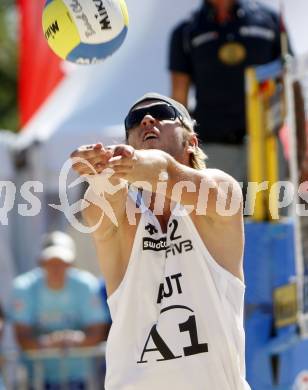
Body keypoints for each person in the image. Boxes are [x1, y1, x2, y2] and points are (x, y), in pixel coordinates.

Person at [71, 92, 250, 389]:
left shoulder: (219, 192)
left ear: (192, 141)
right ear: (127, 145)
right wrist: (101, 173)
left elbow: (164, 170)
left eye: (162, 112)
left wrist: (135, 162)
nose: (147, 119)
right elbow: (98, 204)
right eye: (134, 121)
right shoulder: (124, 220)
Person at [168, 0, 306, 184]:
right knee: (216, 213)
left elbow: (291, 85)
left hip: (268, 149)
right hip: (213, 151)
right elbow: (179, 102)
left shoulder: (270, 21)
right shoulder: (185, 32)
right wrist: (178, 161)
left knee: (273, 213)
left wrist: (302, 152)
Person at [10, 237, 109, 389]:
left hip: (80, 379)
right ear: (41, 262)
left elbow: (98, 331)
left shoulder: (86, 285)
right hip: (37, 379)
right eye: (51, 262)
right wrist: (52, 342)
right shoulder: (23, 287)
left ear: (71, 263)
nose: (56, 268)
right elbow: (21, 336)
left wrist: (72, 340)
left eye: (62, 263)